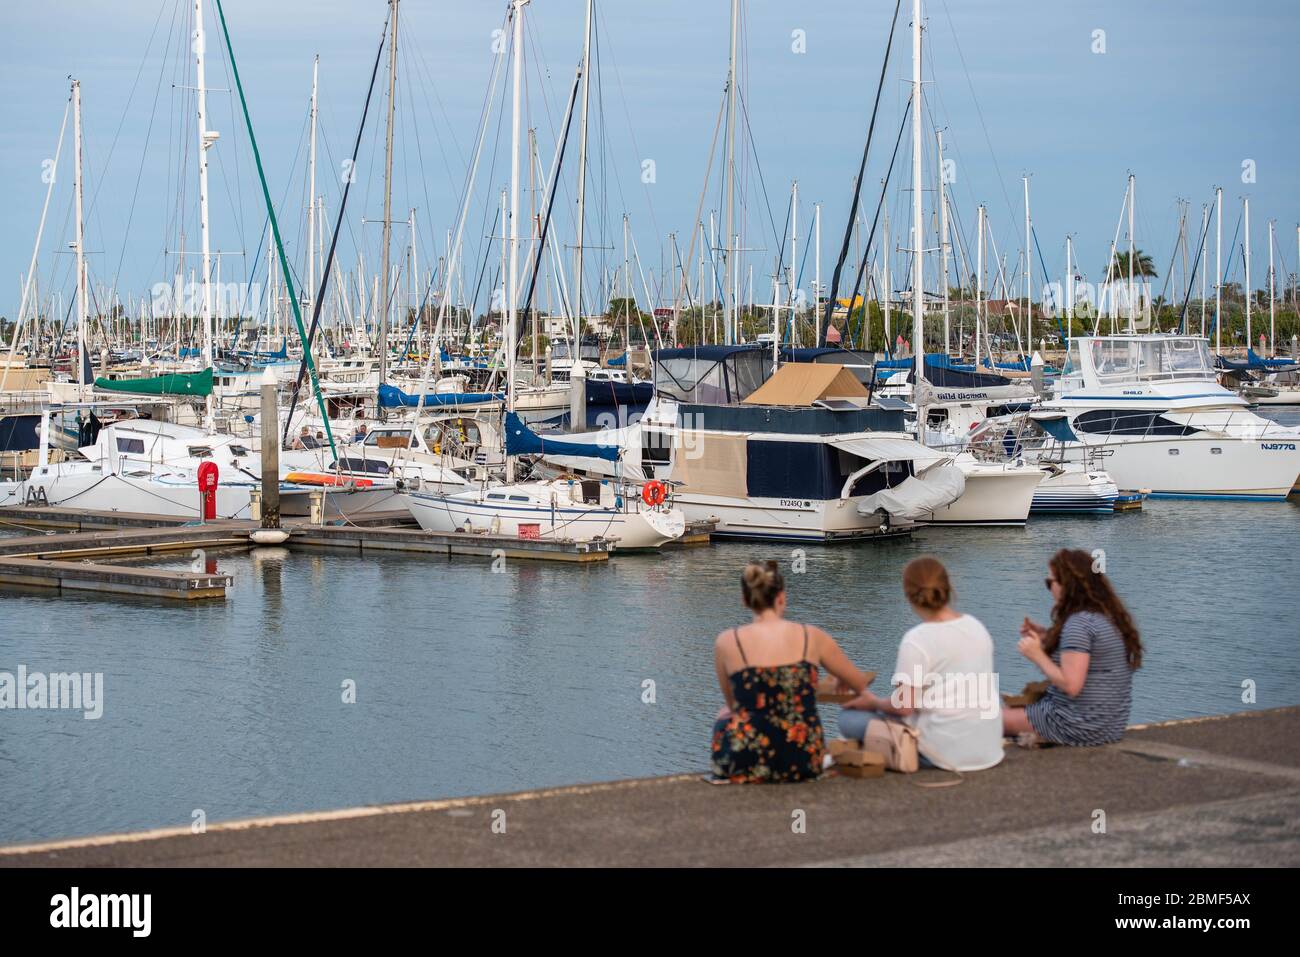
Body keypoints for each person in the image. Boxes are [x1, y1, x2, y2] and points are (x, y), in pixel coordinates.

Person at [711, 560, 872, 783]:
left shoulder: (727, 641)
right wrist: (839, 680)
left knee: (722, 714)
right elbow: (859, 683)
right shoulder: (811, 636)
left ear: (745, 601)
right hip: (803, 757)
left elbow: (733, 706)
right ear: (782, 598)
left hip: (747, 759)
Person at [839, 557, 1004, 772]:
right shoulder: (977, 627)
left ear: (908, 595)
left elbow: (904, 706)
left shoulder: (917, 640)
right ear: (948, 587)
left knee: (848, 719)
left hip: (941, 753)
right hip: (988, 747)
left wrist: (873, 702)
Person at [1003, 549, 1142, 746]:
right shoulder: (1105, 617)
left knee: (986, 719)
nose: (1049, 588)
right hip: (1110, 726)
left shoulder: (1078, 624)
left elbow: (1071, 685)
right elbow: (1081, 657)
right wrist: (1046, 636)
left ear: (1066, 585)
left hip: (1076, 725)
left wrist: (1037, 655)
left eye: (1050, 582)